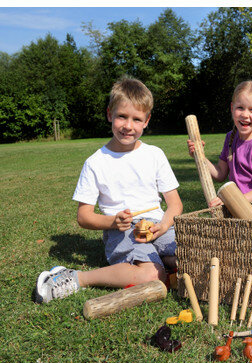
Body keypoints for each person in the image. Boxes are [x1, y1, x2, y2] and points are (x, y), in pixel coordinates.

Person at [35, 76, 183, 304]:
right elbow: (83, 217)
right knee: (152, 275)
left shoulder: (155, 154)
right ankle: (75, 278)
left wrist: (164, 226)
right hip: (122, 229)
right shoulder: (96, 162)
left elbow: (175, 205)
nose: (128, 125)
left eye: (136, 119)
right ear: (109, 114)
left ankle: (166, 268)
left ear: (146, 121)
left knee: (190, 260)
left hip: (157, 225)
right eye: (122, 116)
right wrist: (113, 222)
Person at [187, 80, 252, 207]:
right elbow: (220, 174)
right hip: (239, 208)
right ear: (232, 108)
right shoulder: (231, 137)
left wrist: (234, 200)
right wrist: (199, 156)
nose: (245, 115)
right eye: (240, 108)